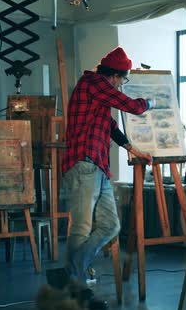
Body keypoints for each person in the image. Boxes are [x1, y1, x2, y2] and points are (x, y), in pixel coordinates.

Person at [57, 47, 155, 291]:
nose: (122, 85)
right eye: (123, 79)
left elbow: (110, 126)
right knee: (81, 227)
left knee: (111, 225)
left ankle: (74, 269)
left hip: (98, 166)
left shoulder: (98, 94)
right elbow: (134, 107)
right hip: (83, 164)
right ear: (114, 76)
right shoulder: (94, 83)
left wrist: (134, 150)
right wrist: (151, 101)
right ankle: (74, 287)